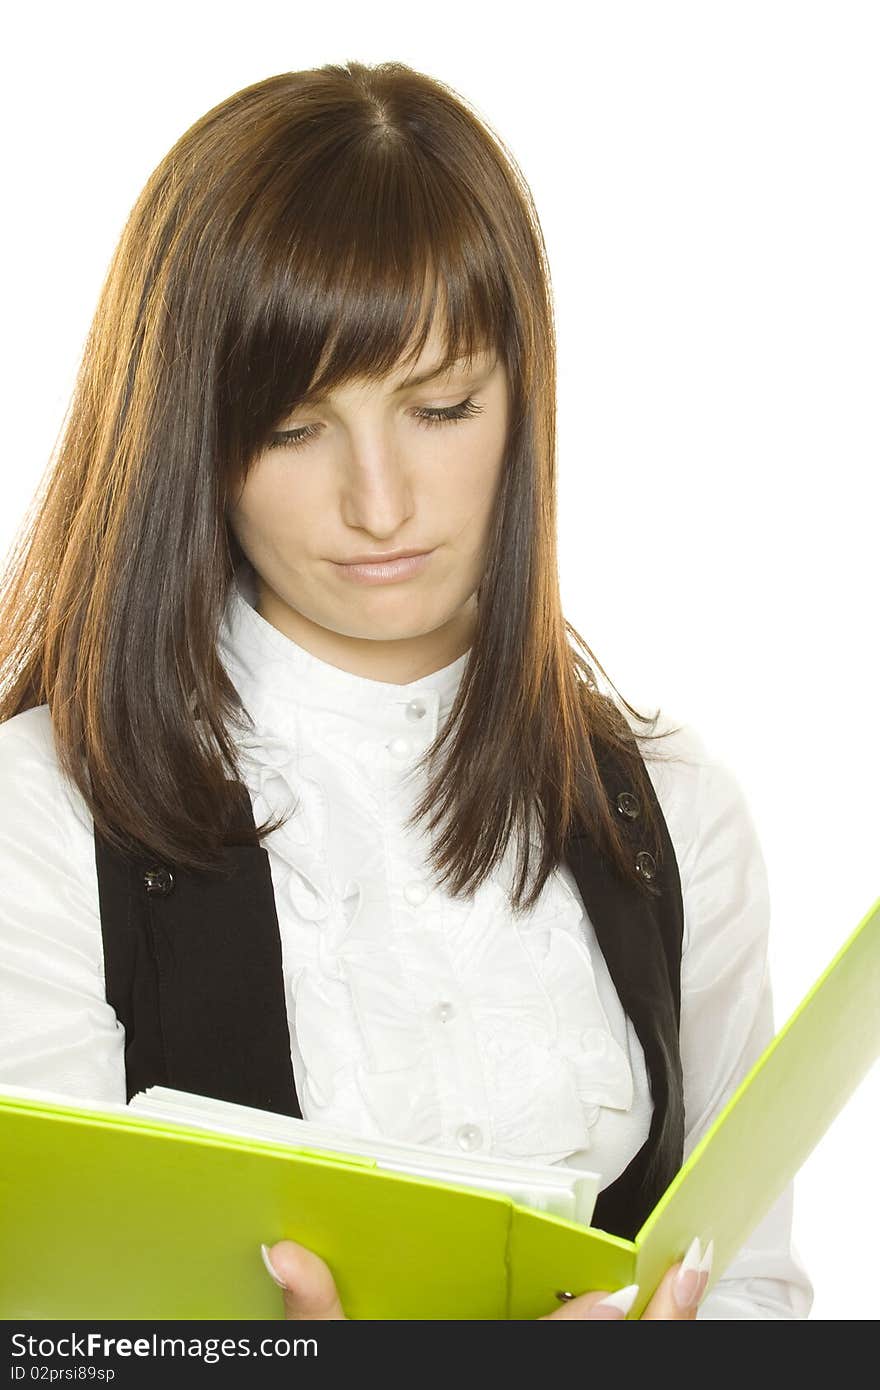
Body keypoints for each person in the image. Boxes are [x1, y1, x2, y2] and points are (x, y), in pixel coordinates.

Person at [0, 60, 813, 1321]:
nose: (379, 505)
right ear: (189, 437)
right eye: (291, 428)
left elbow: (755, 1287)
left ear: (522, 400)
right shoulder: (42, 813)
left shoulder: (674, 810)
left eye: (440, 407)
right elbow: (47, 1323)